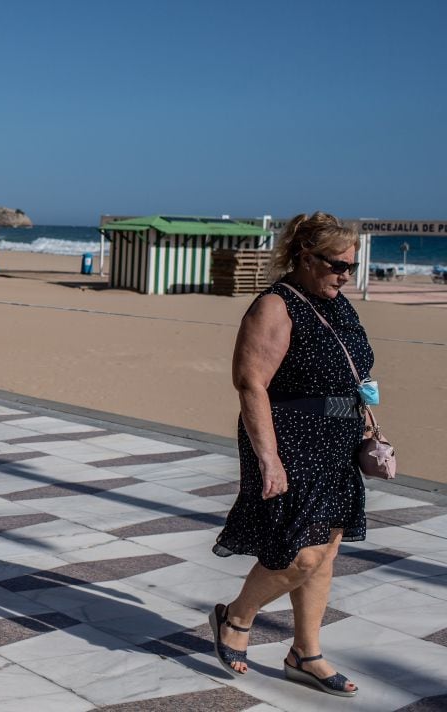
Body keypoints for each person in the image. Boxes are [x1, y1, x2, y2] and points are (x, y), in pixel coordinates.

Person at [211, 212, 371, 697]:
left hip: (338, 439)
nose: (346, 275)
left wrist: (365, 427)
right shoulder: (275, 307)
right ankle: (237, 617)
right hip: (291, 439)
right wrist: (269, 458)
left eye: (352, 266)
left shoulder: (339, 305)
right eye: (338, 265)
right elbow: (250, 384)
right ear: (305, 258)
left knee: (327, 550)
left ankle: (306, 652)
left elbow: (353, 375)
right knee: (301, 553)